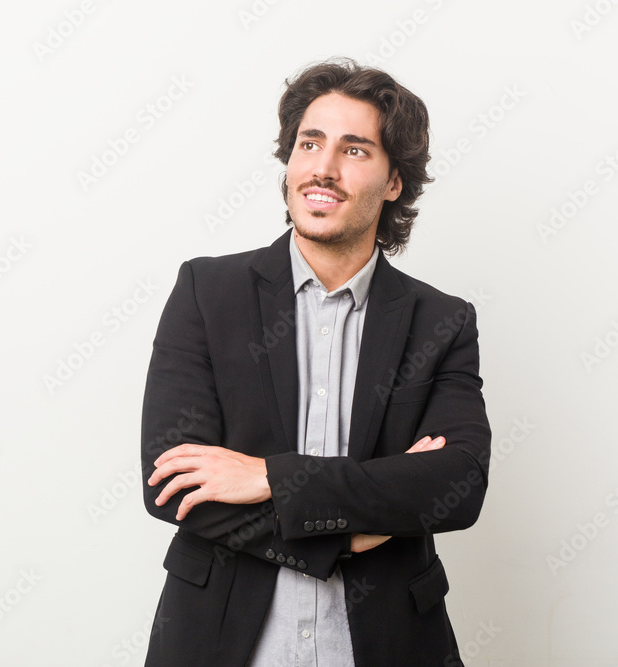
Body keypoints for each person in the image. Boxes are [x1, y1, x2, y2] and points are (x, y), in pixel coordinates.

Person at [140, 57, 491, 667]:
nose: (322, 169)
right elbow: (172, 485)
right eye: (310, 143)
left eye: (355, 150)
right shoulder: (206, 291)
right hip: (219, 641)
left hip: (390, 643)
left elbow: (456, 486)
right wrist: (351, 532)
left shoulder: (442, 321)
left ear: (393, 181)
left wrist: (269, 478)